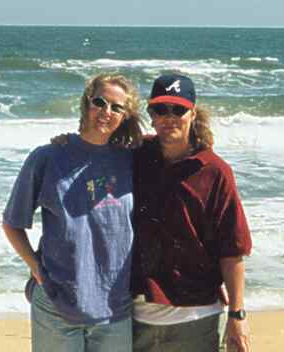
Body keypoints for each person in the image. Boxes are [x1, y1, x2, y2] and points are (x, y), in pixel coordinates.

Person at [2, 73, 143, 352]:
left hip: (115, 307)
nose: (106, 112)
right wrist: (38, 271)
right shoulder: (48, 157)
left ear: (126, 116)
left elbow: (175, 142)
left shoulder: (134, 159)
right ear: (86, 104)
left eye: (117, 107)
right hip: (58, 303)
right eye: (100, 102)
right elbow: (12, 223)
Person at [131, 74, 252, 352]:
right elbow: (93, 148)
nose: (169, 117)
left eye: (179, 109)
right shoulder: (135, 157)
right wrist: (64, 143)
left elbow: (232, 250)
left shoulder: (215, 171)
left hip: (197, 320)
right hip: (136, 319)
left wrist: (237, 314)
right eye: (161, 109)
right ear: (151, 114)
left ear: (193, 113)